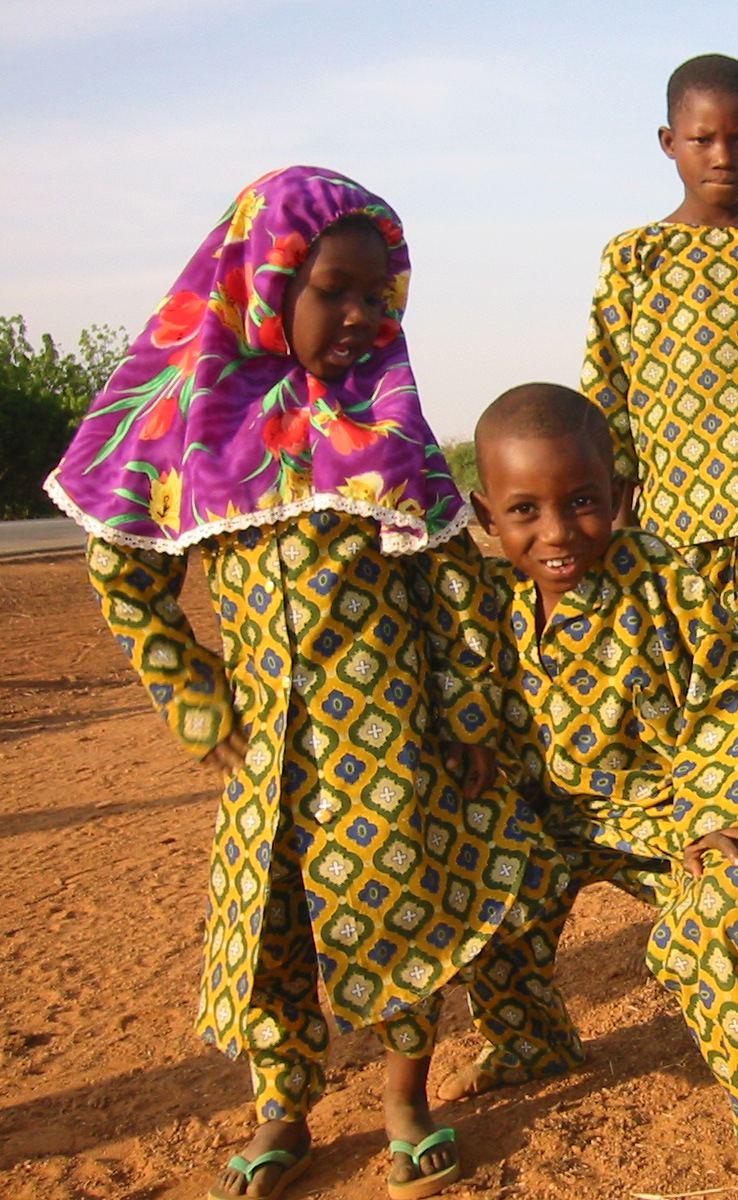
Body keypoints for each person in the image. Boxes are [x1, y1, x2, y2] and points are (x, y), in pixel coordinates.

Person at [45, 167, 564, 1200]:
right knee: (270, 937)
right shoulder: (194, 427)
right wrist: (196, 703)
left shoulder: (385, 424)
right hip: (266, 757)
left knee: (402, 915)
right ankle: (282, 1113)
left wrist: (464, 714)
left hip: (390, 743)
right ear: (266, 278)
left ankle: (405, 1101)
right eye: (338, 289)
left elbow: (454, 585)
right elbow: (125, 573)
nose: (362, 316)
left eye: (382, 296)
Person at [461, 383, 738, 1200]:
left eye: (585, 502)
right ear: (485, 514)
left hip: (680, 814)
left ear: (623, 497)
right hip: (544, 821)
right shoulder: (478, 606)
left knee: (731, 910)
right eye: (525, 510)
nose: (559, 533)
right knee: (472, 878)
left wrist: (731, 810)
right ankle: (529, 1043)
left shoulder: (671, 585)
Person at [581, 53, 738, 746]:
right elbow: (608, 391)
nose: (724, 154)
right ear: (668, 143)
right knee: (681, 702)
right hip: (671, 530)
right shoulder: (635, 257)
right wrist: (613, 516)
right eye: (703, 139)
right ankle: (696, 851)